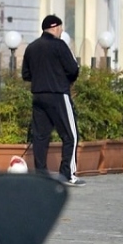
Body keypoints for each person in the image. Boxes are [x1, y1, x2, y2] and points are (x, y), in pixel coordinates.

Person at [21, 15, 85, 187]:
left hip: (38, 96)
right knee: (70, 135)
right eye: (61, 28)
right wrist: (62, 79)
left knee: (40, 137)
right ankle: (68, 175)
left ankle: (41, 174)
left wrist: (41, 77)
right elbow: (73, 69)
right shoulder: (59, 45)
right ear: (55, 27)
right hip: (58, 95)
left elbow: (25, 75)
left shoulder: (32, 47)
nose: (62, 31)